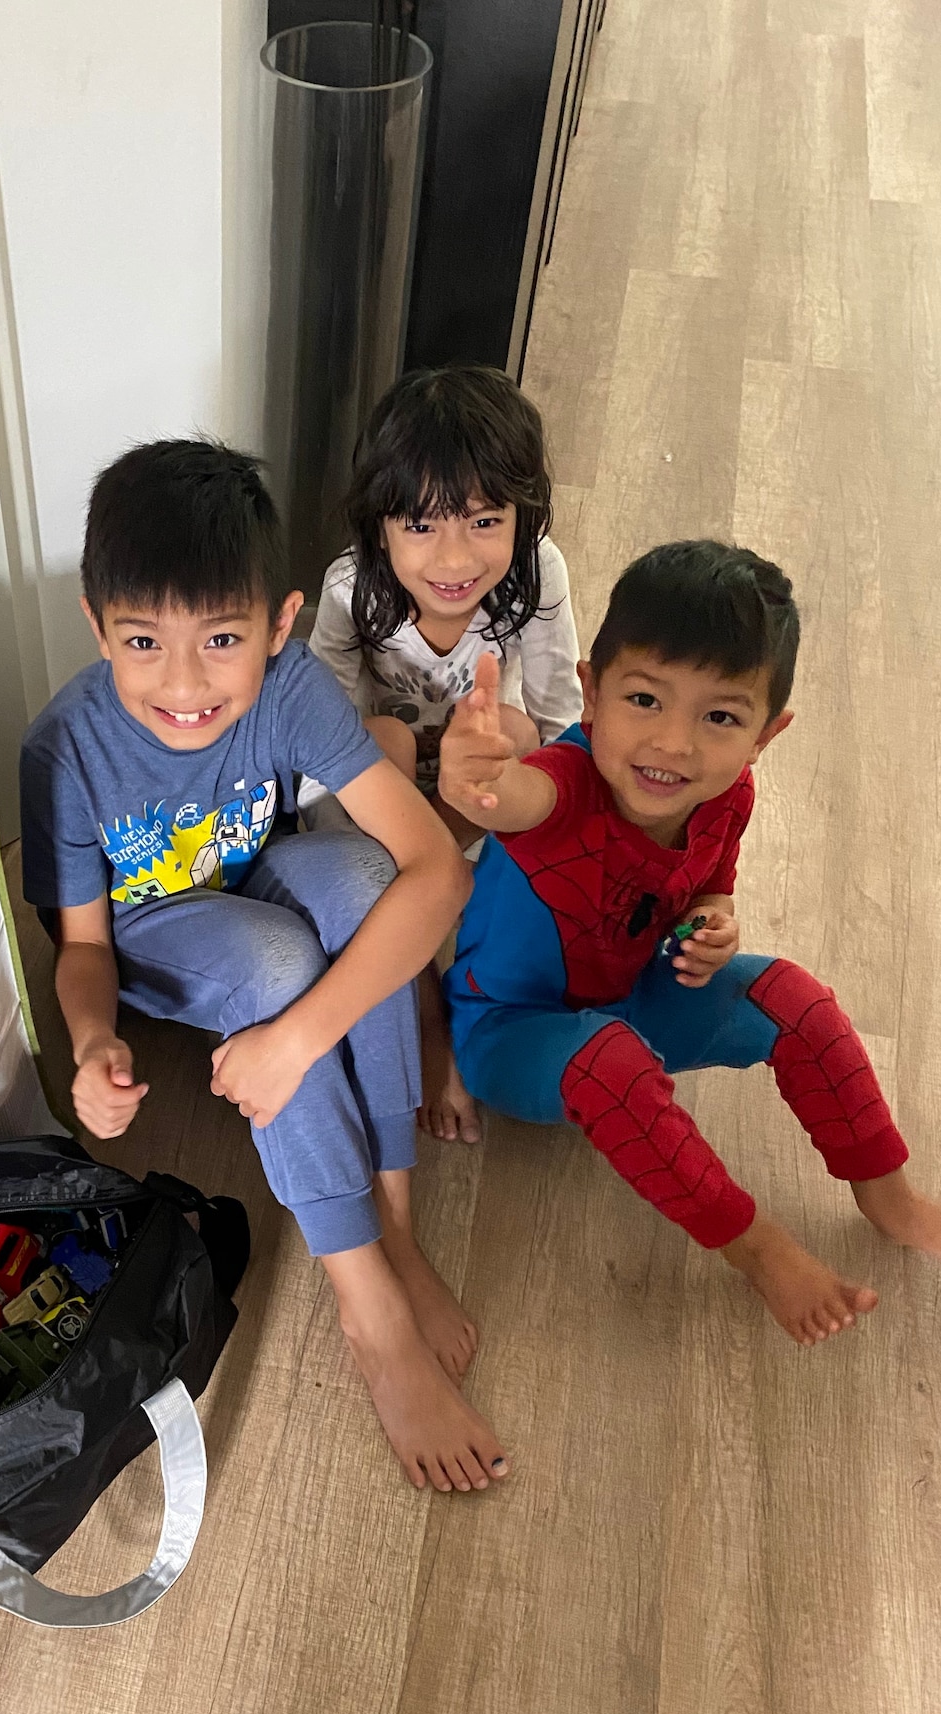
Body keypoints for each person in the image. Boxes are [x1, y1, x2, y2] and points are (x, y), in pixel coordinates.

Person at [19, 439, 509, 1494]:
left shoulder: (290, 688)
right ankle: (365, 1298)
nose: (184, 683)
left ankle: (396, 1219)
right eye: (142, 640)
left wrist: (300, 1039)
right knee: (278, 951)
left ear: (280, 626)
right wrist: (95, 1039)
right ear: (96, 620)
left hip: (253, 882)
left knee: (360, 878)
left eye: (223, 640)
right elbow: (86, 944)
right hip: (157, 932)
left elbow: (432, 870)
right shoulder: (65, 747)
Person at [437, 540, 941, 1344]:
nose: (673, 744)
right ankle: (756, 1249)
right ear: (592, 694)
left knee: (796, 1002)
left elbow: (712, 883)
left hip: (638, 992)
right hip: (509, 1030)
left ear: (765, 736)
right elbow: (513, 797)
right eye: (645, 700)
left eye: (719, 717)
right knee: (611, 1062)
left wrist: (716, 924)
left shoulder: (728, 792)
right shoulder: (563, 786)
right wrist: (474, 781)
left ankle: (889, 1197)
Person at [305, 365, 583, 1142]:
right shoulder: (349, 589)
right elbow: (318, 733)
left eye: (484, 521)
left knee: (515, 731)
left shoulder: (538, 569)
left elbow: (562, 717)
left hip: (481, 786)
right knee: (383, 733)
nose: (455, 560)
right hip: (381, 796)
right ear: (379, 526)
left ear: (522, 518)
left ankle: (434, 908)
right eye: (422, 526)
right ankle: (430, 998)